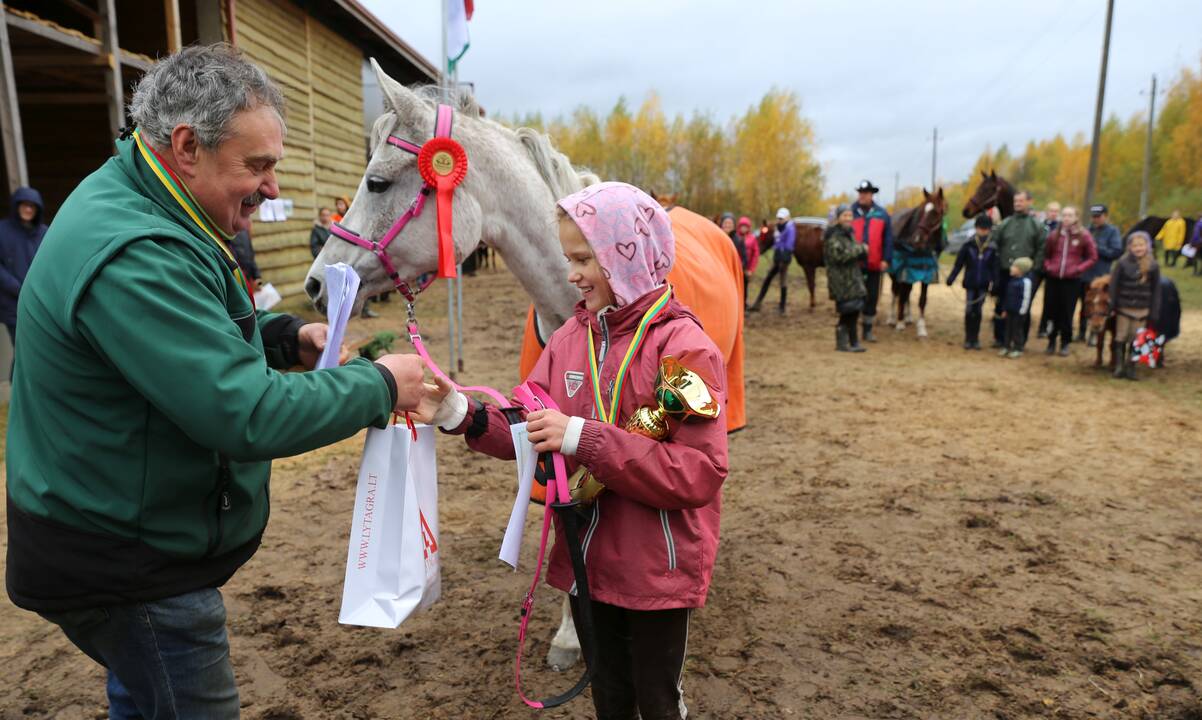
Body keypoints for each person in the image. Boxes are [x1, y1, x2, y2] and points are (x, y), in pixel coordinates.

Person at [5, 45, 431, 718]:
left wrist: (286, 337)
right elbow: (245, 413)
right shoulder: (137, 253)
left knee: (144, 697)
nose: (269, 187)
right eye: (256, 166)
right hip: (130, 568)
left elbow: (169, 347)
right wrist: (379, 387)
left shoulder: (142, 202)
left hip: (113, 535)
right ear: (185, 147)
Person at [416, 181, 728, 719]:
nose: (571, 274)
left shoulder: (685, 348)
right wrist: (459, 413)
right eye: (568, 258)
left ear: (625, 257)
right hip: (587, 559)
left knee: (655, 700)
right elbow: (526, 420)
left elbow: (697, 472)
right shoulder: (566, 341)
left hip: (659, 567)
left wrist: (582, 437)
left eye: (584, 258)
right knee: (608, 694)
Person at [988, 190, 1045, 348]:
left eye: (1020, 201)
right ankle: (1000, 338)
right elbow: (995, 243)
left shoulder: (1036, 226)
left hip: (1025, 275)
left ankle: (1019, 341)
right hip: (1006, 272)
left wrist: (1035, 270)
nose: (1017, 204)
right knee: (1001, 305)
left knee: (1022, 308)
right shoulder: (1006, 223)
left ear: (1029, 202)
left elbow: (1041, 249)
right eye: (1015, 201)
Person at [1041, 206, 1097, 356]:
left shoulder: (1083, 235)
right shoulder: (1054, 235)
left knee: (1067, 312)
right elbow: (1046, 254)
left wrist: (1078, 269)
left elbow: (1092, 257)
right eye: (1064, 215)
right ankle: (1051, 341)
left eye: (1070, 215)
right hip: (1053, 278)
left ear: (1076, 217)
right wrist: (1049, 267)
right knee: (1051, 310)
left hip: (1071, 280)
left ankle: (1065, 342)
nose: (1066, 218)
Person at [0, 186, 47, 355]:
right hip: (12, 305)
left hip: (39, 304)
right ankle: (18, 381)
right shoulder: (2, 231)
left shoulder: (44, 233)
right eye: (24, 205)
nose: (28, 209)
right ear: (16, 206)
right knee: (22, 350)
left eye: (32, 206)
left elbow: (51, 264)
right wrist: (16, 287)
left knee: (40, 350)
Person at [1109, 232, 1161, 381]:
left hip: (1143, 308)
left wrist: (1154, 310)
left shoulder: (1153, 265)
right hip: (1124, 307)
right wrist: (1112, 304)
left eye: (1141, 245)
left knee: (1136, 338)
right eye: (1135, 245)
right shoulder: (1122, 263)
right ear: (1130, 247)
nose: (1138, 248)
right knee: (1121, 336)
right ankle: (1119, 366)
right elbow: (1114, 285)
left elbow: (1156, 290)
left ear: (1147, 246)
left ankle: (1131, 366)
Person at [947, 214, 998, 350]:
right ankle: (968, 338)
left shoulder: (992, 247)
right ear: (976, 228)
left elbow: (995, 268)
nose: (983, 231)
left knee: (979, 311)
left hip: (983, 285)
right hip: (970, 283)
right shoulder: (968, 245)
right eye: (980, 229)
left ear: (989, 230)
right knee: (969, 310)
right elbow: (959, 264)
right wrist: (951, 278)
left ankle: (975, 339)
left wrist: (995, 284)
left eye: (985, 229)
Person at [850, 180, 892, 342]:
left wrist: (886, 259)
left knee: (871, 297)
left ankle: (867, 329)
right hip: (854, 264)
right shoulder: (850, 212)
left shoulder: (882, 214)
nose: (862, 195)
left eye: (865, 193)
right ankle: (852, 328)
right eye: (860, 192)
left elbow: (888, 239)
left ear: (871, 195)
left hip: (874, 263)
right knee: (853, 296)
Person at [823, 204, 867, 352]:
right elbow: (839, 256)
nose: (848, 218)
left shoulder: (849, 234)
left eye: (850, 215)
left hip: (852, 278)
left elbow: (850, 252)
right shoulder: (833, 236)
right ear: (838, 218)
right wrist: (860, 249)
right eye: (845, 215)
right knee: (847, 310)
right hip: (841, 280)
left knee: (854, 310)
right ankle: (842, 343)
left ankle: (854, 342)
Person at [1082, 203, 1122, 341]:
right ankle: (1081, 332)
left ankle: (1095, 334)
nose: (1095, 219)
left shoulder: (1113, 231)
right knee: (1086, 305)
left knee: (1099, 306)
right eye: (1093, 216)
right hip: (1085, 274)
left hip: (1101, 276)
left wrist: (1096, 247)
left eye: (1098, 216)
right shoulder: (1086, 231)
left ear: (1105, 216)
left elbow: (1116, 252)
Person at [749, 207, 795, 315]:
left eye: (782, 218)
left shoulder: (790, 228)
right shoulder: (777, 228)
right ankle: (758, 303)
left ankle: (782, 307)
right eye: (779, 218)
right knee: (769, 278)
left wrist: (783, 255)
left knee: (782, 280)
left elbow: (789, 244)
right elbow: (775, 241)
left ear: (787, 218)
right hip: (777, 257)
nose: (780, 220)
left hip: (784, 258)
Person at [1000, 257, 1034, 359]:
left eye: (1014, 266)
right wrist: (1005, 309)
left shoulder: (1026, 282)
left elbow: (1026, 298)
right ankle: (1006, 346)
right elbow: (1008, 296)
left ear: (1021, 270)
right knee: (1008, 329)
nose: (1011, 268)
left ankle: (1018, 348)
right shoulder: (1012, 281)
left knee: (1017, 330)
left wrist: (1022, 311)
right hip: (1010, 310)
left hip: (1019, 312)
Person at [1036, 201, 1061, 338]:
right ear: (1047, 212)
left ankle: (1044, 326)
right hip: (1039, 266)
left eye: (1056, 211)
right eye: (1051, 210)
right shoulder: (1040, 226)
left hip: (1053, 268)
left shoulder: (1062, 229)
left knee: (1049, 300)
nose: (1054, 213)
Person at [737, 216, 759, 306]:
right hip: (736, 267)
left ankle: (744, 304)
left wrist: (751, 269)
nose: (743, 228)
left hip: (746, 268)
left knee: (745, 287)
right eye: (742, 226)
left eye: (745, 226)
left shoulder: (752, 238)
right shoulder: (736, 237)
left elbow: (755, 254)